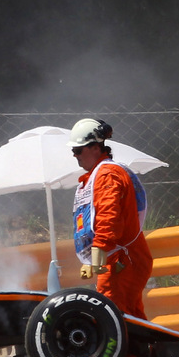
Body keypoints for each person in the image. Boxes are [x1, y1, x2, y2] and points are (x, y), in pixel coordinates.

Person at [70, 118, 153, 319]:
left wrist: (98, 253)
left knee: (113, 319)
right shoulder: (98, 175)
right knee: (130, 318)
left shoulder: (107, 174)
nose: (75, 156)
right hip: (119, 257)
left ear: (95, 148)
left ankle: (131, 351)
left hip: (120, 258)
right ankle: (142, 351)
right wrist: (92, 260)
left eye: (78, 150)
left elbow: (108, 218)